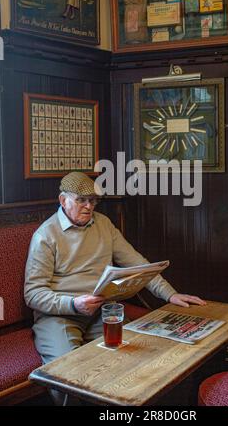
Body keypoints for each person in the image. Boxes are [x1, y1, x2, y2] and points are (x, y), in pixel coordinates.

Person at [24, 172, 206, 403]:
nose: (89, 206)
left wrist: (170, 294)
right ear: (63, 200)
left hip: (103, 310)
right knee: (67, 374)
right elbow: (33, 294)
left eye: (93, 200)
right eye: (81, 200)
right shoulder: (45, 235)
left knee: (131, 360)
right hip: (59, 315)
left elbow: (138, 264)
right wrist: (73, 304)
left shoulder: (103, 224)